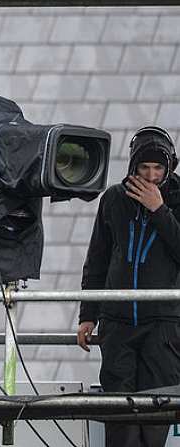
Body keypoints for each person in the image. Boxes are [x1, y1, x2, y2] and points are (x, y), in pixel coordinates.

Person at [77, 126, 180, 447]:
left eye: (158, 168)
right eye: (144, 168)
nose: (150, 176)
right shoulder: (113, 198)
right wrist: (87, 314)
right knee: (119, 418)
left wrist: (159, 210)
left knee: (156, 416)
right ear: (133, 167)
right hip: (117, 324)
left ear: (169, 167)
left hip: (164, 325)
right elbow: (98, 258)